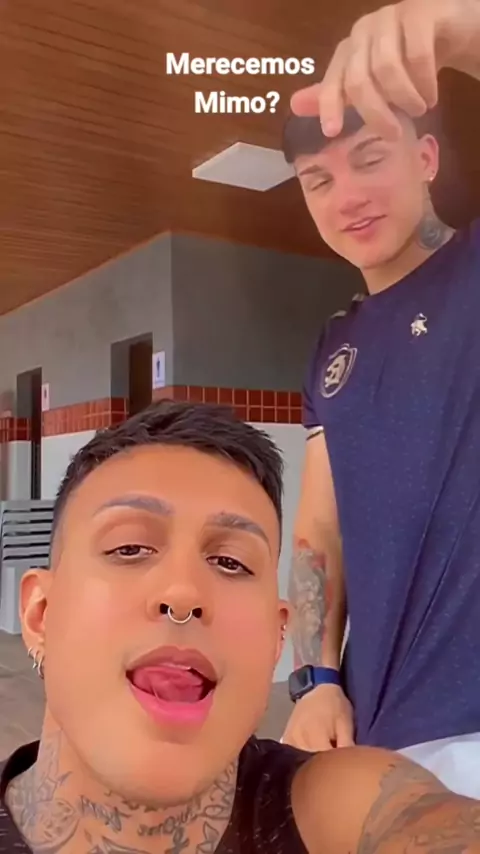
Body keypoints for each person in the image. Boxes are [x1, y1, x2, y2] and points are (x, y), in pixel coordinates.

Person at [2, 399, 480, 854]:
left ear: (277, 639)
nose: (183, 593)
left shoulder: (342, 810)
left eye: (231, 562)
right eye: (129, 548)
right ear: (41, 614)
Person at [281, 0, 480, 798]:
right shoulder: (336, 346)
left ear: (427, 156)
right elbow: (319, 534)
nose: (347, 196)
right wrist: (315, 679)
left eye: (370, 158)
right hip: (375, 739)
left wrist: (459, 28)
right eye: (319, 179)